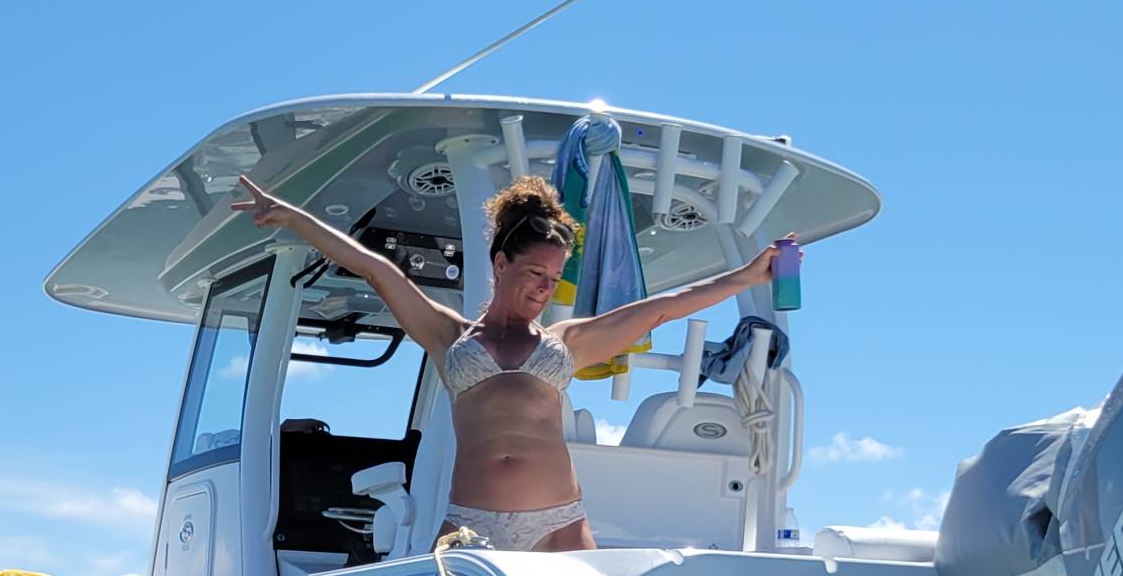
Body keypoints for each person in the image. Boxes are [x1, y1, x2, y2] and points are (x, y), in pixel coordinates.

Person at [233, 172, 784, 552]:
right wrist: (291, 218)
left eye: (553, 279)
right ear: (500, 263)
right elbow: (378, 271)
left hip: (559, 525)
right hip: (469, 525)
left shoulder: (566, 341)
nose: (544, 289)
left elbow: (662, 310)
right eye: (533, 274)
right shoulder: (449, 336)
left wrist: (748, 277)